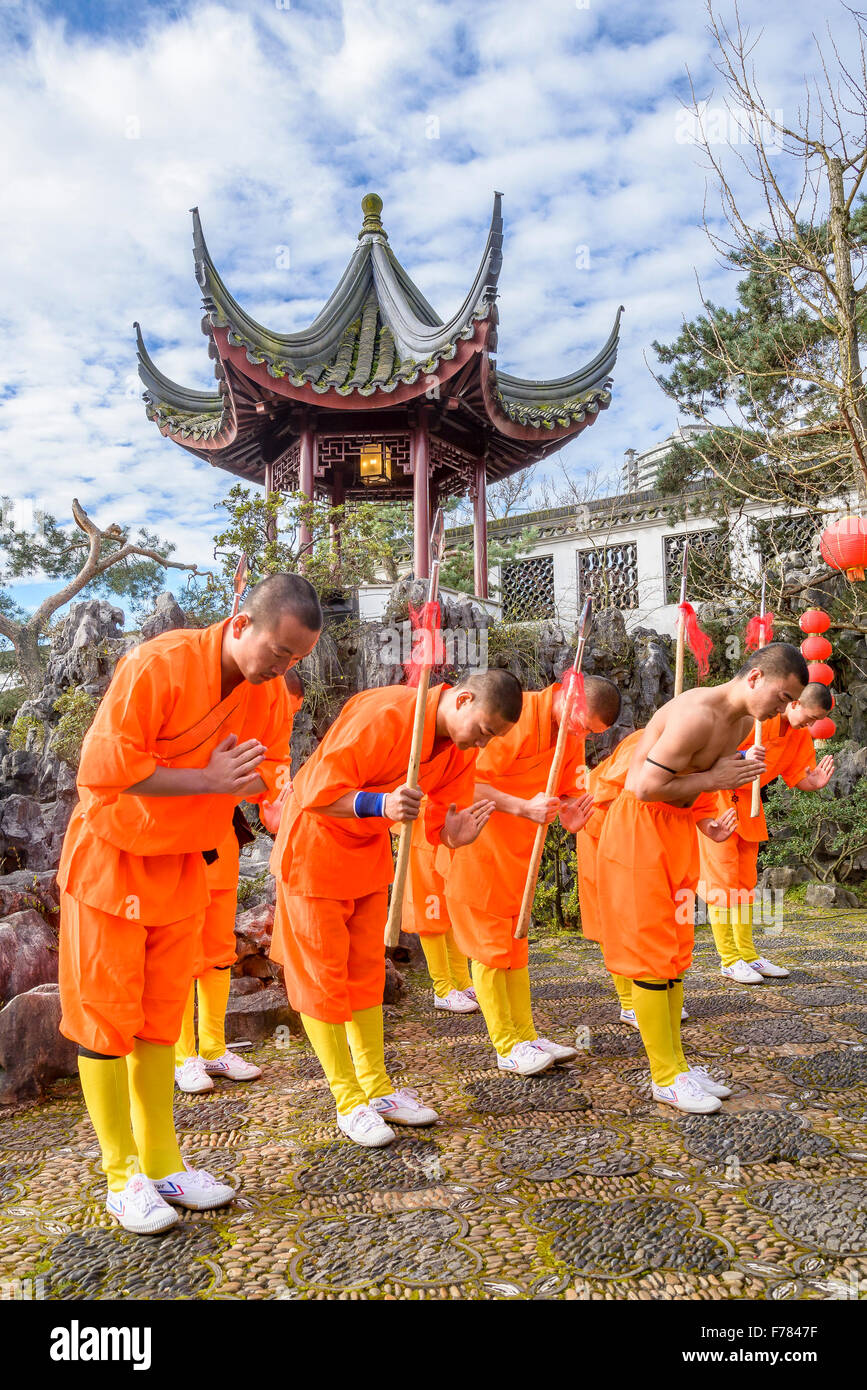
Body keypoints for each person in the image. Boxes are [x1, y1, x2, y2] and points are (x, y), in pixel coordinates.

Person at [57, 574, 321, 1234]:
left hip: (181, 866)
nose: (283, 670)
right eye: (279, 654)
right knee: (106, 1023)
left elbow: (272, 768)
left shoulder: (264, 692)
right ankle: (122, 1177)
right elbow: (102, 766)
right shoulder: (159, 664)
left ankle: (164, 1163)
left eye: (296, 662)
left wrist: (282, 807)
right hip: (112, 864)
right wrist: (204, 780)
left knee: (155, 1022)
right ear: (240, 625)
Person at [269, 670, 523, 1147]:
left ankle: (377, 1088)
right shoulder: (386, 713)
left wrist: (454, 834)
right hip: (315, 853)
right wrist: (380, 804)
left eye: (493, 738)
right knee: (322, 979)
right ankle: (348, 1100)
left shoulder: (456, 750)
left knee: (366, 974)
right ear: (463, 699)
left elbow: (439, 820)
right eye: (484, 731)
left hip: (366, 861)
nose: (482, 744)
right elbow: (316, 793)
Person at [594, 643, 808, 1116]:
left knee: (674, 949)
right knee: (652, 954)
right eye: (782, 695)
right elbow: (642, 786)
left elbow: (698, 778)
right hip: (638, 834)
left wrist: (707, 817)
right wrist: (715, 783)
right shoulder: (698, 713)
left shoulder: (739, 721)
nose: (784, 708)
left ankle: (678, 1066)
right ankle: (665, 1077)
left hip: (677, 829)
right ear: (754, 677)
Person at [445, 675, 620, 1074]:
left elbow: (568, 789)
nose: (582, 735)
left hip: (519, 853)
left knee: (515, 946)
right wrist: (523, 807)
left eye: (590, 733)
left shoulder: (568, 730)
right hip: (481, 846)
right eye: (584, 725)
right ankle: (506, 1044)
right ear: (570, 697)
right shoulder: (513, 716)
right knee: (489, 950)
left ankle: (525, 1033)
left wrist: (572, 812)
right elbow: (466, 784)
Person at [175, 669, 306, 1092]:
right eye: (284, 711)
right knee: (178, 956)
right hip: (181, 847)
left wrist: (279, 804)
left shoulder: (269, 740)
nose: (283, 722)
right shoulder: (215, 715)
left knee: (217, 951)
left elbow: (269, 792)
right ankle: (182, 1056)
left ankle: (213, 1049)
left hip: (223, 845)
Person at [700, 682, 835, 984]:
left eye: (817, 721)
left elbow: (799, 775)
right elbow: (709, 754)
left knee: (746, 883)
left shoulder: (800, 736)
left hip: (750, 806)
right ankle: (729, 959)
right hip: (718, 803)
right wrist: (744, 755)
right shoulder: (756, 717)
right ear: (795, 703)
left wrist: (813, 784)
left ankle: (748, 955)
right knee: (721, 881)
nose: (811, 725)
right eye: (810, 717)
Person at [402, 812, 479, 1014]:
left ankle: (461, 981)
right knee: (431, 909)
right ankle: (442, 988)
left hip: (451, 828)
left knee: (453, 908)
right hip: (425, 828)